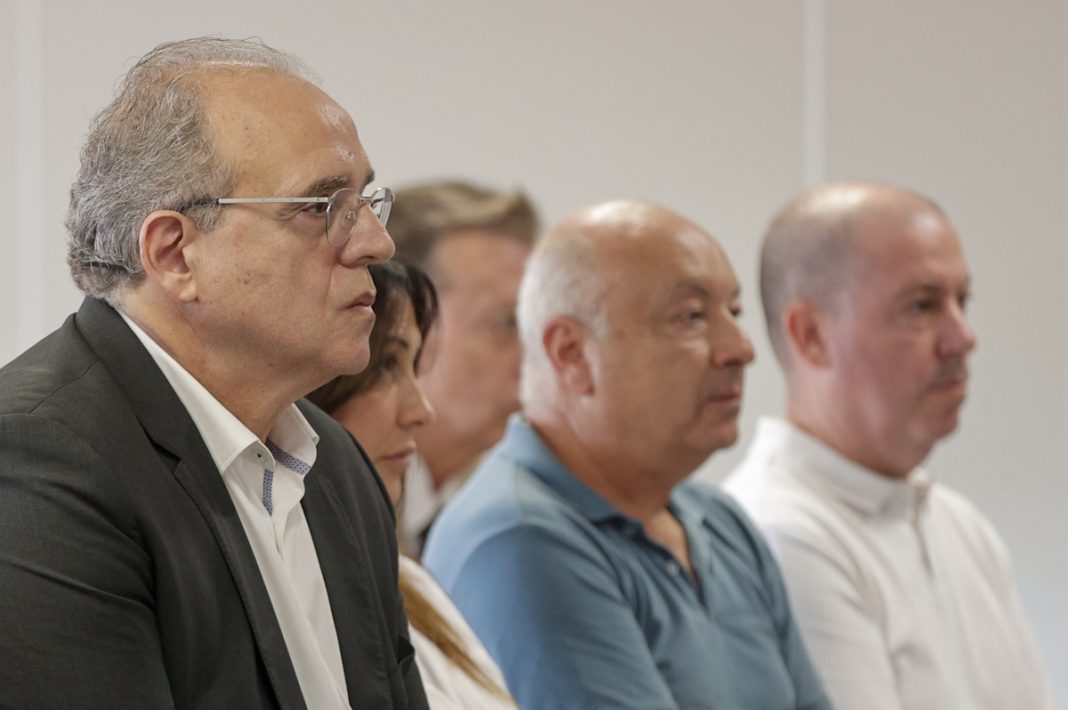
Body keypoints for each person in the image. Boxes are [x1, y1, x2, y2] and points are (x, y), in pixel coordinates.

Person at [0, 38, 427, 709]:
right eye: (322, 208)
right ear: (175, 254)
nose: (377, 242)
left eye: (368, 201)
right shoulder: (39, 463)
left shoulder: (337, 464)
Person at [423, 200, 832, 709]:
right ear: (572, 354)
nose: (740, 349)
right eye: (691, 317)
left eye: (734, 311)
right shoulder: (518, 537)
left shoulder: (721, 521)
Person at [724, 181, 1055, 710]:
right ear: (811, 335)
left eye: (962, 301)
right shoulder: (782, 534)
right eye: (921, 306)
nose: (962, 337)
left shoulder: (959, 525)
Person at [307, 261, 517, 710]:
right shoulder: (292, 590)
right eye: (386, 366)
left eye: (414, 368)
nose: (421, 410)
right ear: (312, 385)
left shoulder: (414, 584)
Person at [386, 180, 539, 555]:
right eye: (507, 324)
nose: (536, 361)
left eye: (538, 328)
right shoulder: (311, 490)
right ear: (405, 323)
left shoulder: (514, 501)